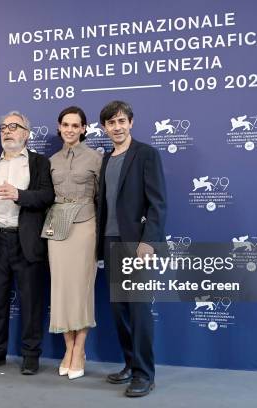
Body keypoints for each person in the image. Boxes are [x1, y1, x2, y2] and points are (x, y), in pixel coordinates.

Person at [0, 111, 54, 375]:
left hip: (26, 241)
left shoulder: (39, 162)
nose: (7, 131)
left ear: (26, 134)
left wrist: (19, 194)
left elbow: (46, 196)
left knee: (31, 302)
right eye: (3, 126)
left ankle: (31, 356)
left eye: (14, 126)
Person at [96, 100, 167, 397]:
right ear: (104, 128)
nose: (117, 127)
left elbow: (157, 202)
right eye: (111, 123)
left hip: (137, 244)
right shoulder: (106, 158)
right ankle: (129, 364)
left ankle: (144, 373)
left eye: (121, 121)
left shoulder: (146, 154)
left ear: (131, 122)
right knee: (119, 311)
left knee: (138, 311)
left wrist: (147, 241)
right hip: (111, 242)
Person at [45, 106, 102, 380]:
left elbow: (102, 199)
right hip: (57, 226)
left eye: (75, 125)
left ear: (83, 128)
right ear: (59, 127)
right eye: (65, 125)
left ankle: (80, 349)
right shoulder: (52, 160)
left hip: (85, 225)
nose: (69, 129)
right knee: (62, 289)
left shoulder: (95, 158)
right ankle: (68, 348)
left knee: (81, 289)